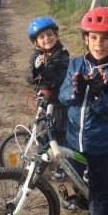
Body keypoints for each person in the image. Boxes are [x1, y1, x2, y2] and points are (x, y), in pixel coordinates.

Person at [59, 7, 108, 215]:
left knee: (99, 192)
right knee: (79, 180)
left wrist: (98, 94)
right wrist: (75, 91)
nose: (99, 44)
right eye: (94, 37)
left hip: (99, 143)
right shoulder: (75, 64)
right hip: (72, 138)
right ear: (85, 39)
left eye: (106, 38)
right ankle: (83, 199)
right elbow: (63, 96)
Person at [26, 16, 69, 181]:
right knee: (42, 130)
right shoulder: (36, 56)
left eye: (50, 34)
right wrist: (36, 70)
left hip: (58, 102)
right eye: (42, 37)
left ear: (56, 36)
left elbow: (59, 80)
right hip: (43, 101)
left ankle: (62, 165)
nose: (47, 39)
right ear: (36, 42)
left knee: (58, 132)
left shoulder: (62, 56)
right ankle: (41, 159)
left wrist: (44, 70)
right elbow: (28, 76)